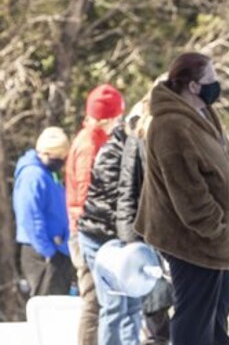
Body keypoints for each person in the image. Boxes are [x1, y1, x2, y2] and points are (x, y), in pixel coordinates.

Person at [136, 53, 229, 345]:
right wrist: (218, 231)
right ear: (192, 86)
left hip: (216, 243)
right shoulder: (171, 125)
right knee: (195, 318)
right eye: (210, 80)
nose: (217, 85)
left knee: (216, 317)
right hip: (193, 241)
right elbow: (188, 192)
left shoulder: (203, 113)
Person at [78, 104, 144, 345]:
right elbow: (114, 201)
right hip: (100, 235)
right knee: (115, 303)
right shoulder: (114, 151)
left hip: (125, 238)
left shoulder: (138, 150)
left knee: (134, 301)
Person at [67, 83, 125, 345]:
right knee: (94, 298)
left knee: (100, 298)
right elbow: (85, 194)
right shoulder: (90, 145)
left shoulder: (98, 139)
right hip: (87, 231)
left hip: (91, 228)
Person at [115, 94, 172, 345]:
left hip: (184, 238)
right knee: (155, 308)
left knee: (189, 310)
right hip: (149, 235)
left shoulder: (187, 132)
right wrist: (130, 241)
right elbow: (127, 192)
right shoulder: (138, 138)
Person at [14, 126, 74, 296]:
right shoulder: (33, 176)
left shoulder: (49, 174)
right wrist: (48, 250)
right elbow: (31, 216)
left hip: (58, 249)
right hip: (42, 253)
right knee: (48, 305)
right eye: (59, 157)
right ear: (48, 154)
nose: (62, 160)